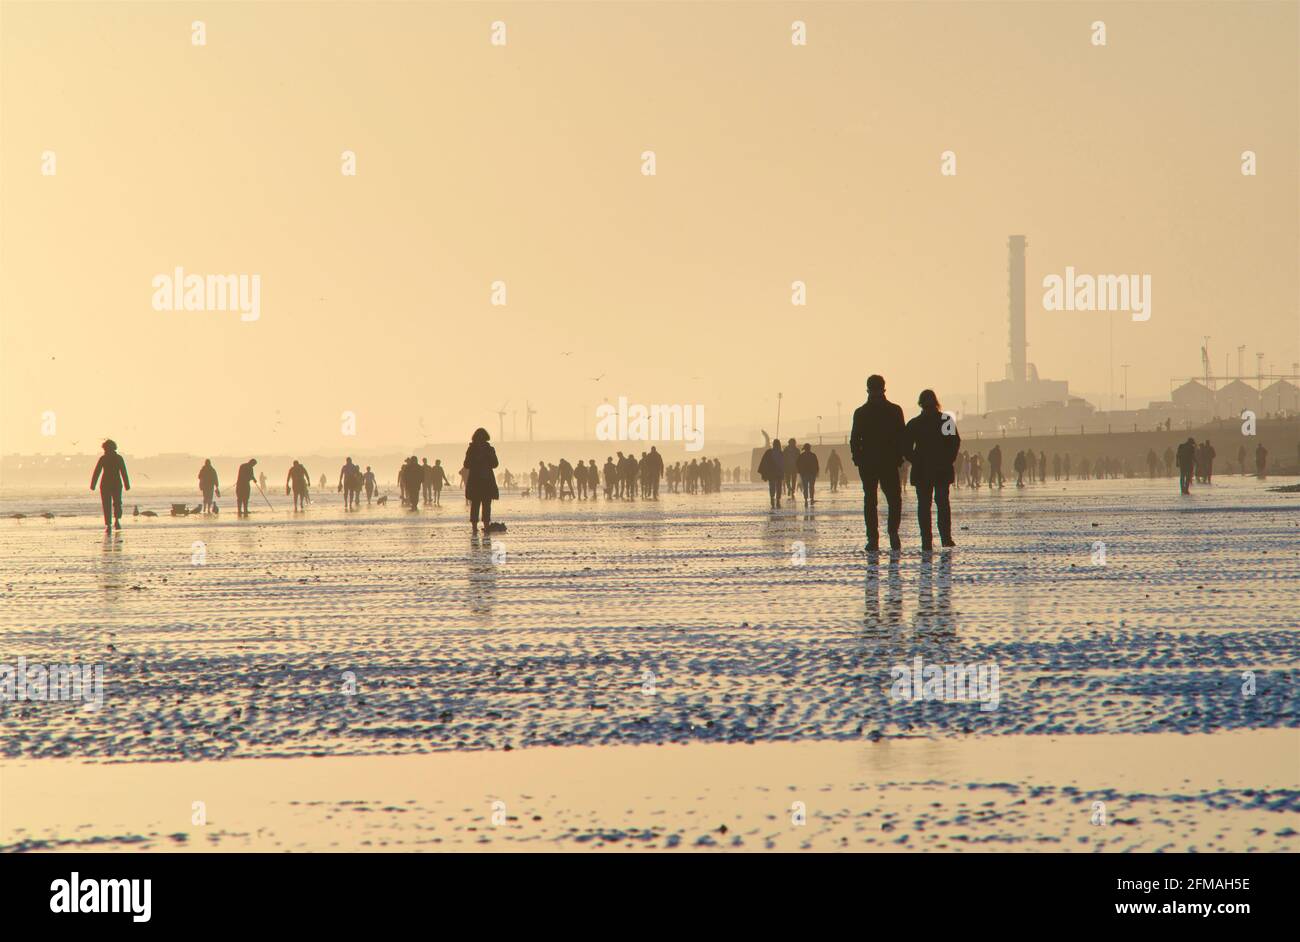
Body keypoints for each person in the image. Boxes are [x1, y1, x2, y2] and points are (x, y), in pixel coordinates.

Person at [850, 375, 905, 551]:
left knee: (872, 501)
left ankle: (874, 538)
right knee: (892, 500)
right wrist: (898, 457)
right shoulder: (894, 410)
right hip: (884, 463)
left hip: (871, 463)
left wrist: (858, 459)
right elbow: (901, 437)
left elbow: (854, 440)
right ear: (883, 389)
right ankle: (890, 534)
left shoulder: (861, 412)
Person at [903, 390, 959, 550]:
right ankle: (945, 538)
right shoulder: (945, 420)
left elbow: (906, 448)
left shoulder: (915, 423)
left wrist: (916, 460)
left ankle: (926, 540)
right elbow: (954, 444)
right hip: (940, 470)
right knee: (942, 504)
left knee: (924, 506)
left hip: (923, 471)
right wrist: (947, 460)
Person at [464, 427, 500, 532]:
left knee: (483, 505)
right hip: (479, 481)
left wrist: (487, 456)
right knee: (478, 505)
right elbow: (466, 464)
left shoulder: (488, 449)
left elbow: (495, 464)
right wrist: (476, 459)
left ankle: (483, 526)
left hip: (484, 481)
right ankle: (477, 526)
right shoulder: (472, 449)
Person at [90, 439, 131, 532]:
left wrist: (93, 484)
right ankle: (115, 522)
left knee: (108, 504)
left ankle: (110, 524)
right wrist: (126, 484)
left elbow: (97, 472)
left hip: (107, 484)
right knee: (116, 503)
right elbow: (123, 472)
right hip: (114, 483)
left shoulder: (106, 458)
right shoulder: (116, 458)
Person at [758, 438, 784, 508]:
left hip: (773, 473)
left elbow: (763, 462)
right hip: (777, 473)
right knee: (778, 487)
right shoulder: (781, 453)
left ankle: (773, 499)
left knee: (773, 487)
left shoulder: (769, 452)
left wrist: (764, 472)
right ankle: (777, 499)